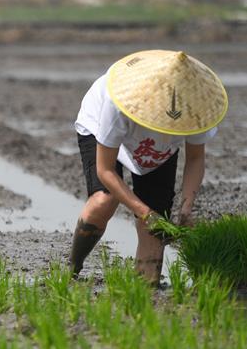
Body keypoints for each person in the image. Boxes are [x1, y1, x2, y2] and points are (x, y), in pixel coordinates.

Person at [68, 49, 228, 283]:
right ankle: (73, 268)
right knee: (104, 200)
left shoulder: (198, 109)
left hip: (156, 151)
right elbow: (105, 170)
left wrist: (186, 205)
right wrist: (144, 212)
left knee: (155, 231)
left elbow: (195, 158)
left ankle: (145, 290)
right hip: (101, 128)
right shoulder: (117, 103)